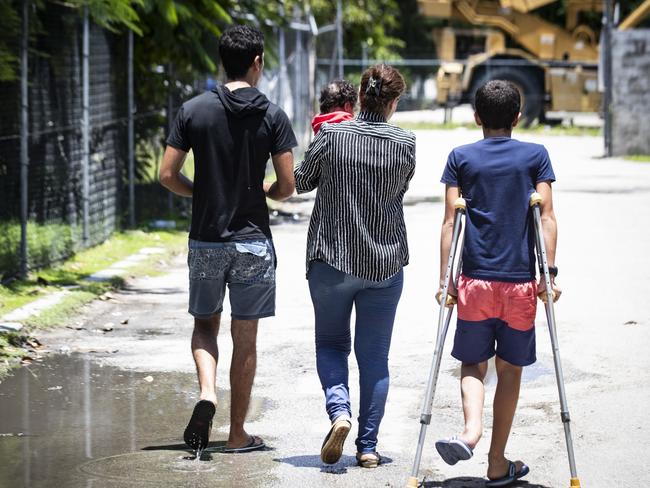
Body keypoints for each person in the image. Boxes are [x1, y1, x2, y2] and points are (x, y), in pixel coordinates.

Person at [159, 24, 297, 454]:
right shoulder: (272, 115)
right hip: (253, 241)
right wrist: (269, 194)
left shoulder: (194, 110)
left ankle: (207, 394)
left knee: (205, 325)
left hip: (206, 239)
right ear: (257, 63)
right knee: (246, 337)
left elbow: (166, 174)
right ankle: (237, 434)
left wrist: (199, 191)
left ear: (222, 61)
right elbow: (287, 183)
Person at [435, 80, 561, 486]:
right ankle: (496, 461)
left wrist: (446, 281)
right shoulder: (535, 156)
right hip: (520, 285)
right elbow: (546, 217)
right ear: (518, 117)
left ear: (476, 118)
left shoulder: (461, 157)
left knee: (472, 363)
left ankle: (470, 432)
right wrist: (550, 275)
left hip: (474, 282)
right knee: (509, 371)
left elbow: (451, 221)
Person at [294, 64, 415, 468]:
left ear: (359, 97)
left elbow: (302, 181)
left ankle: (339, 412)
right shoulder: (405, 143)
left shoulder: (330, 136)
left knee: (331, 344)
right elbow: (398, 190)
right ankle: (367, 446)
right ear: (393, 102)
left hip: (332, 259)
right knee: (374, 358)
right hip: (384, 264)